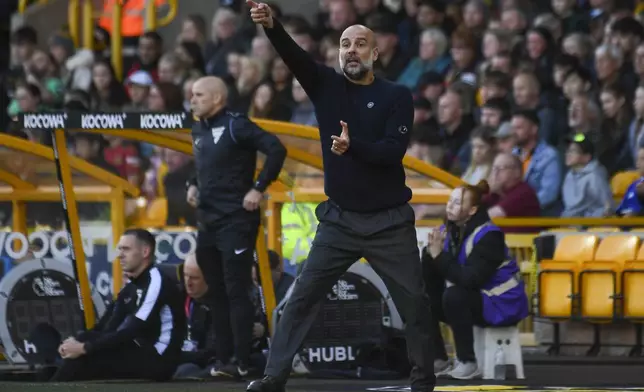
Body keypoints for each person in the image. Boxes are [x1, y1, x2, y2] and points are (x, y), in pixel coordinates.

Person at [247, 2, 436, 392]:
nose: (351, 49)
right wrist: (272, 26)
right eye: (345, 44)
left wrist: (353, 148)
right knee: (300, 299)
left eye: (360, 44)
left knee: (415, 304)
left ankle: (423, 382)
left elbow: (391, 152)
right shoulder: (326, 87)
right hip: (339, 221)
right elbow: (295, 58)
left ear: (375, 53)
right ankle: (273, 377)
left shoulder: (397, 95)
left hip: (389, 221)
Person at [187, 75, 287, 377]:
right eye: (192, 94)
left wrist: (258, 188)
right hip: (207, 222)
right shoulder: (198, 129)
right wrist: (193, 185)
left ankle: (244, 361)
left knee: (236, 289)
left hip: (236, 220)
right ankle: (224, 360)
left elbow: (276, 149)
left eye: (199, 95)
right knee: (215, 292)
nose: (193, 100)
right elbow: (205, 167)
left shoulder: (236, 124)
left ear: (217, 98)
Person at [422, 182, 529, 380]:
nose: (449, 206)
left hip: (502, 304)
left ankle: (467, 362)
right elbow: (431, 279)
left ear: (472, 210)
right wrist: (429, 255)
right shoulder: (448, 231)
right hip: (478, 300)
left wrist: (439, 257)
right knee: (422, 298)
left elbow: (469, 279)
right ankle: (438, 359)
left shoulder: (490, 236)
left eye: (456, 203)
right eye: (449, 201)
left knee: (454, 295)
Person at [50, 229, 186, 381]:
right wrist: (76, 342)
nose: (120, 254)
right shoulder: (130, 288)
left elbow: (131, 331)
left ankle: (53, 384)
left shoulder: (156, 281)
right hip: (137, 350)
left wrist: (84, 348)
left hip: (159, 359)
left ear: (145, 251)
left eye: (126, 249)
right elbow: (106, 327)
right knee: (86, 338)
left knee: (85, 357)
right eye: (120, 249)